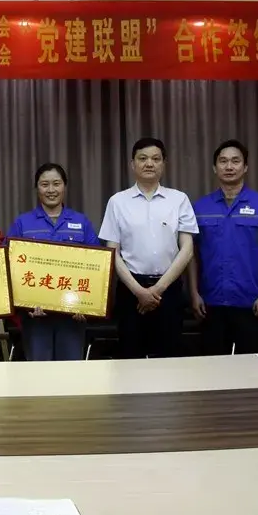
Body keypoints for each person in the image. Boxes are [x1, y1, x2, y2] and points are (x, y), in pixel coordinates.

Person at [187, 140, 258, 355]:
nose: (229, 166)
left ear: (245, 167)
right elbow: (191, 255)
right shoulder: (200, 207)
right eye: (223, 161)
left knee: (253, 366)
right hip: (211, 303)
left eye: (235, 161)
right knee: (212, 366)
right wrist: (194, 293)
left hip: (251, 303)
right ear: (214, 167)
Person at [100, 138, 198, 359]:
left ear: (164, 164)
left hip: (169, 291)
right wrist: (139, 292)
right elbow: (112, 252)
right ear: (132, 164)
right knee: (130, 357)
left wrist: (157, 290)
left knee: (169, 358)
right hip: (130, 291)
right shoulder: (117, 202)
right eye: (142, 158)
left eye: (155, 159)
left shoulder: (179, 199)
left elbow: (187, 249)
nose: (149, 164)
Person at [7, 163, 100, 361]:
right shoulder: (22, 223)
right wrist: (26, 304)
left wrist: (87, 305)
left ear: (64, 186)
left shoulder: (81, 222)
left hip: (72, 316)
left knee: (70, 373)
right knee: (39, 373)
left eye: (56, 184)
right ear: (37, 188)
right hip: (36, 317)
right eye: (45, 184)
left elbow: (97, 267)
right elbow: (10, 267)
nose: (51, 190)